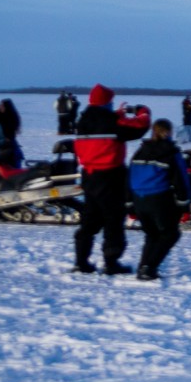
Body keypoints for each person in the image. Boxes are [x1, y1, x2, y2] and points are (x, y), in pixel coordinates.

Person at [72, 85, 151, 275]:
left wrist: (117, 115)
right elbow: (140, 127)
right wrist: (142, 111)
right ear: (107, 102)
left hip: (89, 176)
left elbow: (105, 124)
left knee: (90, 220)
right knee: (113, 220)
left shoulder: (83, 120)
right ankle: (111, 263)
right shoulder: (113, 121)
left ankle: (81, 261)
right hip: (110, 177)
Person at [126, 118, 191, 281]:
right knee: (170, 234)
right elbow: (181, 181)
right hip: (159, 200)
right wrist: (185, 206)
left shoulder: (140, 151)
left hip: (139, 199)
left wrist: (129, 205)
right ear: (169, 133)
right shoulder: (172, 153)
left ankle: (144, 267)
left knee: (152, 235)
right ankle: (149, 267)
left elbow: (129, 177)